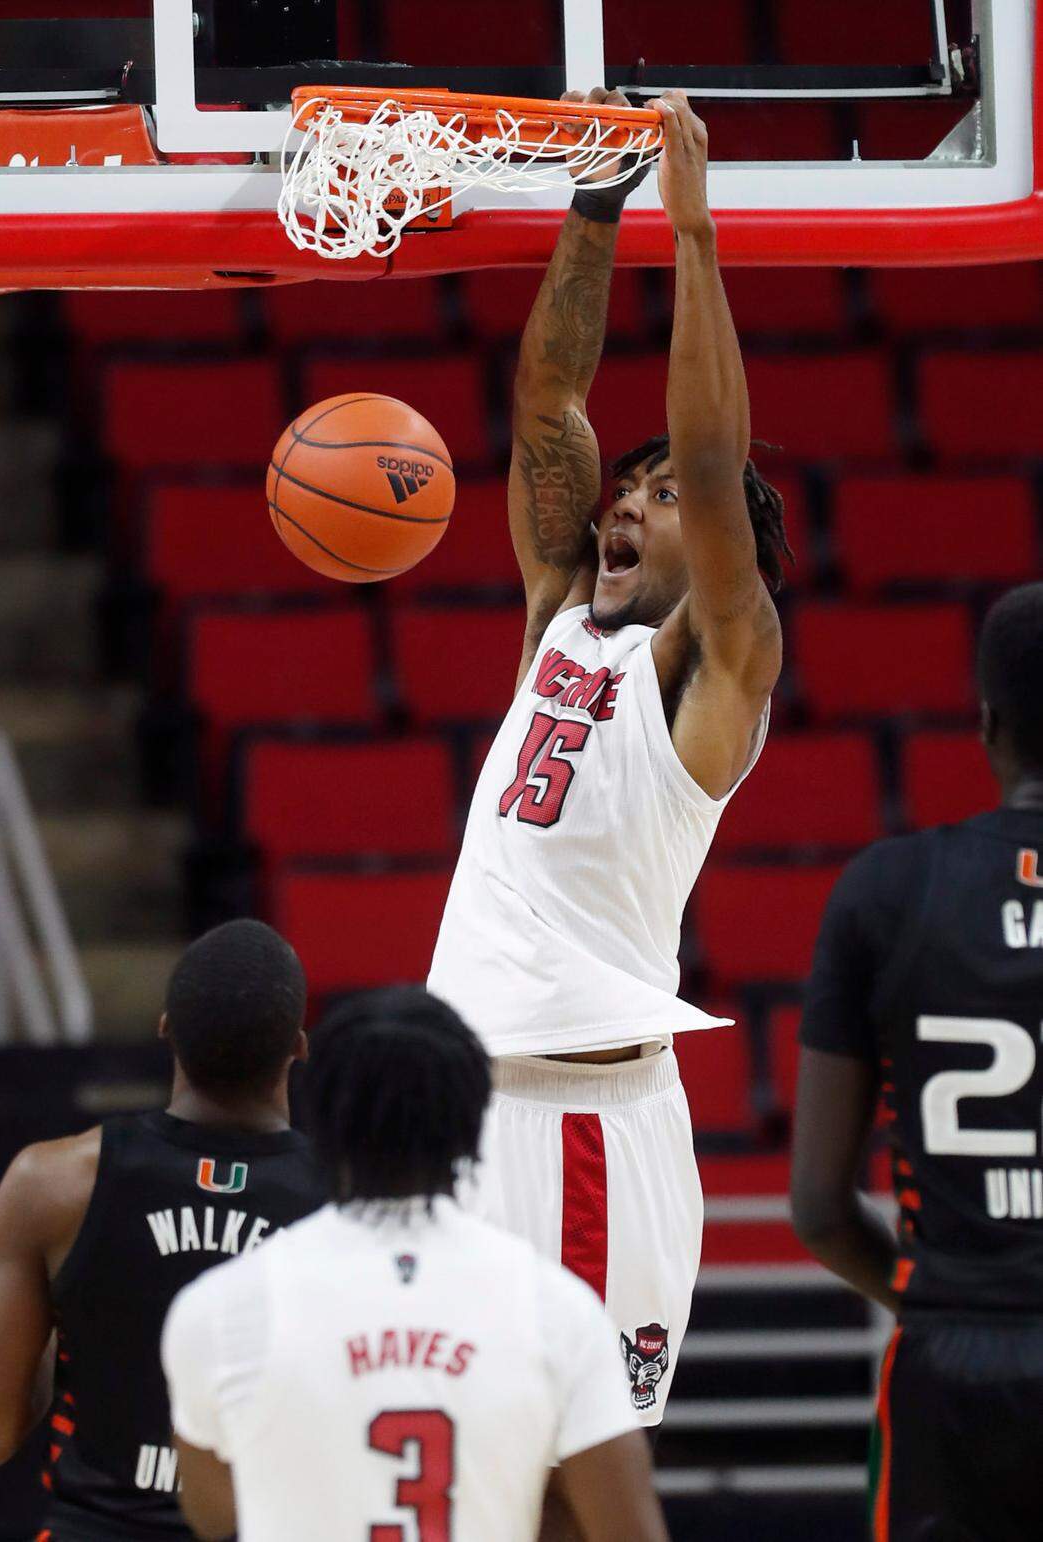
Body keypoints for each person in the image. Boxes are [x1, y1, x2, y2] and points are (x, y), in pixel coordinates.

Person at [427, 85, 789, 1440]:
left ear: (717, 542)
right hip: (463, 1104)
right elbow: (548, 395)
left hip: (587, 1118)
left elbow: (711, 458)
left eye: (652, 495)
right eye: (617, 488)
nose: (622, 503)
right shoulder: (558, 618)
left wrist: (693, 235)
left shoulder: (718, 665)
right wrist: (596, 197)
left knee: (577, 1489)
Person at [162, 987, 670, 1542]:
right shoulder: (559, 1310)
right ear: (474, 1122)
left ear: (323, 1119)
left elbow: (215, 1516)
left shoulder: (220, 1307)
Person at [791, 582, 1043, 1541]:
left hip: (953, 1358)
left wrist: (943, 1290)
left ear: (986, 723)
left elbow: (818, 1209)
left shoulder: (888, 890)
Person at [0, 918, 326, 1542]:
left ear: (165, 1030)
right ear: (297, 1046)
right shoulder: (344, 1206)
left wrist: (65, 1313)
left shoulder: (51, 1184)